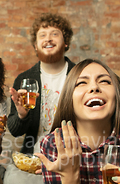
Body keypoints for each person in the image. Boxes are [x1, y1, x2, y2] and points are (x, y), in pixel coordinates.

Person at [8, 13, 76, 154]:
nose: (48, 39)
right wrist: (22, 116)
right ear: (35, 45)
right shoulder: (24, 79)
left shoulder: (80, 75)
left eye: (55, 34)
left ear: (66, 42)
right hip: (35, 159)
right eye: (42, 35)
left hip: (72, 158)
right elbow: (15, 131)